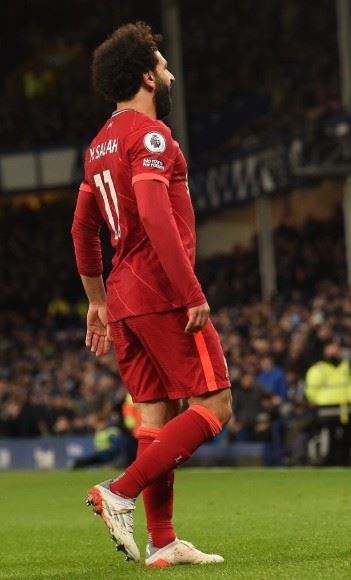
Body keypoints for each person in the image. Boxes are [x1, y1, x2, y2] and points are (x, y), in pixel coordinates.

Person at [71, 22, 232, 566]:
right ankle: (119, 491)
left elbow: (82, 229)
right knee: (216, 403)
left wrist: (97, 300)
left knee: (155, 418)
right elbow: (156, 215)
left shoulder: (97, 146)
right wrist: (190, 290)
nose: (169, 74)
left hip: (122, 297)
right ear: (146, 76)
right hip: (160, 289)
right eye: (162, 65)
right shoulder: (151, 135)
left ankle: (162, 541)